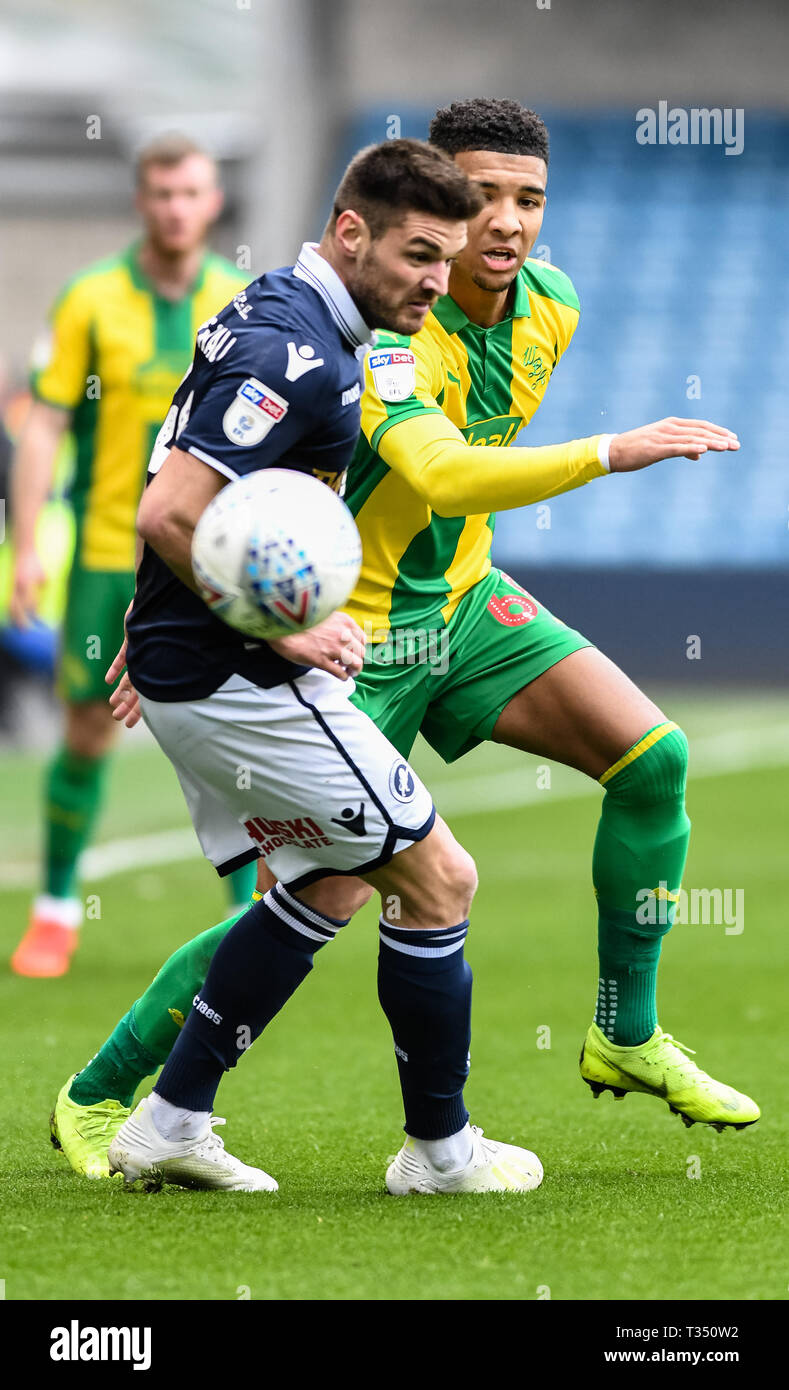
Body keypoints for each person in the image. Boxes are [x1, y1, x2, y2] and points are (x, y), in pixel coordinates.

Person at [52, 101, 757, 1192]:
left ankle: (626, 1028)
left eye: (528, 199)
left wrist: (185, 600)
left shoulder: (549, 307)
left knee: (652, 759)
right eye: (478, 200)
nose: (504, 223)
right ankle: (113, 1092)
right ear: (408, 213)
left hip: (462, 602)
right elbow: (441, 472)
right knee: (322, 886)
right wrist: (615, 451)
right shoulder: (379, 335)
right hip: (356, 634)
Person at [9, 134, 251, 978]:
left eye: (190, 192)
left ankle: (247, 920)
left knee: (232, 734)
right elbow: (42, 423)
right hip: (110, 553)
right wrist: (26, 545)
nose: (175, 208)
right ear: (141, 202)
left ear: (213, 202)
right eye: (161, 193)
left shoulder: (242, 301)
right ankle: (55, 910)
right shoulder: (90, 300)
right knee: (86, 730)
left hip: (206, 559)